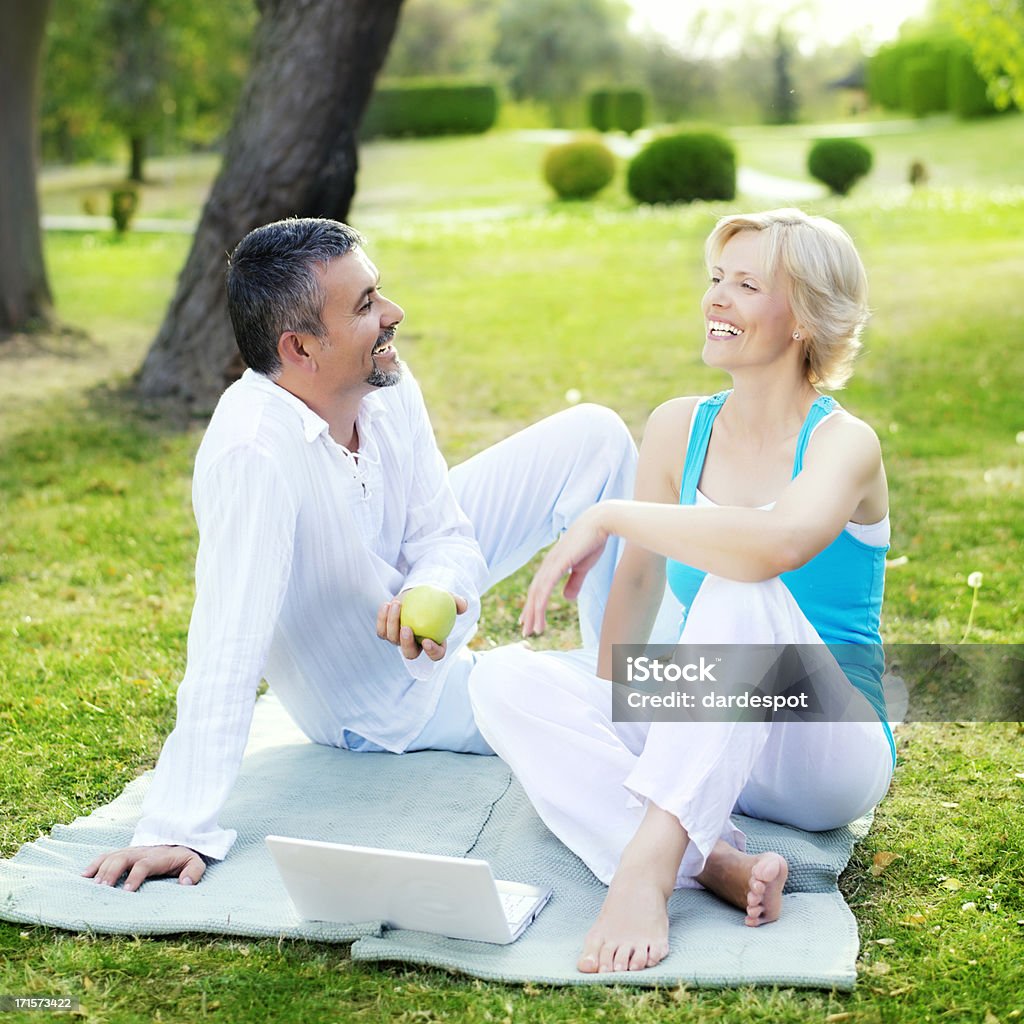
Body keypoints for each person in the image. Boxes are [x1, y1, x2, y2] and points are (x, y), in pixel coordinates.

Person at [83, 217, 638, 892]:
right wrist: (174, 826)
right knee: (553, 700)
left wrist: (429, 585)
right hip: (381, 706)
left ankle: (623, 671)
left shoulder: (384, 383)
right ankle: (650, 697)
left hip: (406, 605)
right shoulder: (255, 454)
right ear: (301, 347)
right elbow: (228, 644)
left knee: (597, 437)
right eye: (366, 305)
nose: (394, 314)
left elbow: (445, 533)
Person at [469, 208, 896, 974]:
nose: (715, 300)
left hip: (824, 747)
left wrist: (606, 510)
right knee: (501, 678)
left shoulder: (844, 444)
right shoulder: (677, 427)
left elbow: (774, 548)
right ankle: (717, 863)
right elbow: (636, 584)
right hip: (714, 718)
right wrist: (610, 714)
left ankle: (648, 870)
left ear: (802, 317)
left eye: (745, 285)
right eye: (714, 280)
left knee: (736, 590)